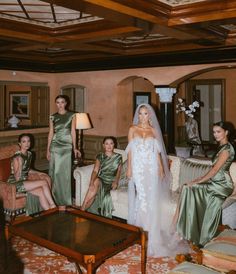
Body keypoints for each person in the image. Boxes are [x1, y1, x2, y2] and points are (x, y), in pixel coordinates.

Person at [174, 121, 235, 247]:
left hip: (222, 185)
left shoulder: (227, 149)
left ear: (226, 132)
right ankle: (182, 231)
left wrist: (196, 181)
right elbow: (212, 171)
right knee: (186, 188)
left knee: (189, 187)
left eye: (218, 132)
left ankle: (182, 230)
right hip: (216, 182)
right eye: (214, 132)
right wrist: (196, 181)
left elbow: (214, 170)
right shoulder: (222, 147)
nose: (215, 135)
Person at [126, 103, 174, 257]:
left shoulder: (154, 131)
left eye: (145, 113)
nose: (142, 116)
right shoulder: (132, 129)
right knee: (142, 197)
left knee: (152, 198)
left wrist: (160, 168)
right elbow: (130, 151)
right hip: (138, 169)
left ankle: (152, 235)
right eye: (140, 113)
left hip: (152, 168)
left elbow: (158, 152)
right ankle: (140, 231)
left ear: (150, 116)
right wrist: (129, 168)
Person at [8, 134, 56, 213]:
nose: (27, 143)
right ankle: (53, 205)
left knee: (41, 191)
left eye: (28, 141)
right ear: (20, 144)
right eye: (24, 142)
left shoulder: (29, 154)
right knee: (43, 182)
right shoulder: (17, 157)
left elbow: (27, 169)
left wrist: (39, 173)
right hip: (15, 184)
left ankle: (50, 213)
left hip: (24, 182)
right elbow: (17, 178)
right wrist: (19, 164)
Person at [47, 95, 81, 207]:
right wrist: (48, 149)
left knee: (65, 174)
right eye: (57, 102)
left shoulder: (72, 115)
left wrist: (75, 147)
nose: (60, 104)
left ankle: (65, 200)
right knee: (55, 172)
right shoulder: (52, 117)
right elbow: (51, 133)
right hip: (55, 146)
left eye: (62, 102)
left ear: (66, 103)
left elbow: (73, 132)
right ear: (55, 103)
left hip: (67, 146)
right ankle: (53, 199)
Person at [81, 136, 122, 218]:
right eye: (106, 143)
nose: (109, 146)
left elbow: (119, 171)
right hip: (101, 178)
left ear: (114, 145)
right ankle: (82, 209)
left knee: (94, 193)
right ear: (103, 145)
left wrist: (116, 181)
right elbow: (95, 171)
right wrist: (91, 181)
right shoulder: (100, 156)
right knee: (94, 184)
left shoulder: (118, 157)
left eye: (111, 143)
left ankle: (82, 211)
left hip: (111, 180)